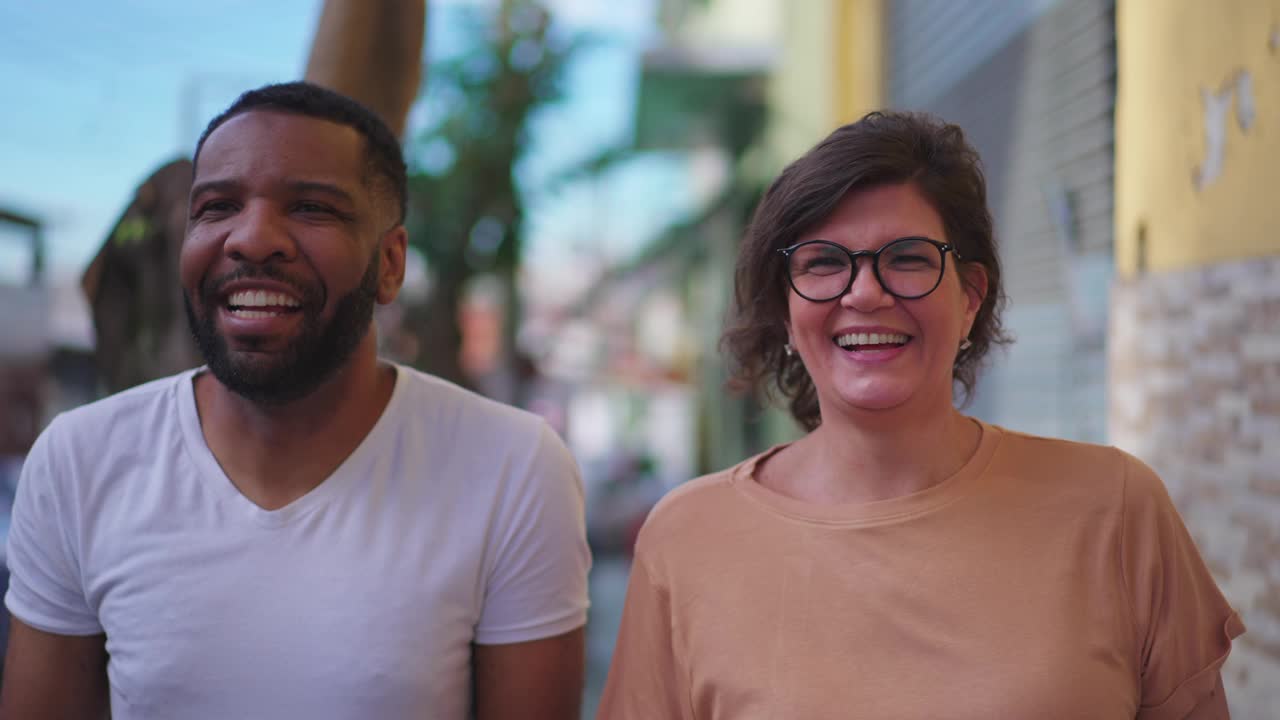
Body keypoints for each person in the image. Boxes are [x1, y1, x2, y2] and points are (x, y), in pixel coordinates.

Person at [597, 111, 1244, 719]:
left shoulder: (1116, 508)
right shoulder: (688, 539)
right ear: (785, 313)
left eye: (907, 258)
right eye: (824, 263)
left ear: (970, 299)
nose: (865, 292)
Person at [2, 82, 591, 720]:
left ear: (390, 264)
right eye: (217, 206)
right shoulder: (79, 461)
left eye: (312, 208)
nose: (251, 239)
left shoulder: (511, 466)